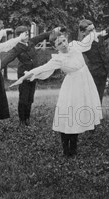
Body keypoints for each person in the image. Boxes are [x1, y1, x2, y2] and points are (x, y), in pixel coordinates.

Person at [11, 29, 103, 157]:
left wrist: (102, 32)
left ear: (67, 39)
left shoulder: (75, 46)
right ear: (55, 47)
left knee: (78, 114)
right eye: (59, 44)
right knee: (67, 115)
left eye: (64, 41)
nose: (64, 45)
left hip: (85, 85)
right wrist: (25, 76)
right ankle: (66, 150)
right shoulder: (59, 58)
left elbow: (90, 38)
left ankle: (74, 148)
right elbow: (42, 68)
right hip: (72, 87)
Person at [1, 26, 62, 126]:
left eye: (27, 33)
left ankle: (27, 119)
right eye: (25, 33)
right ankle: (22, 121)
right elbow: (8, 58)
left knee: (30, 98)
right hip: (23, 75)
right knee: (23, 98)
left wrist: (55, 31)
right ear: (19, 35)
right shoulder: (17, 47)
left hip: (34, 74)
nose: (27, 35)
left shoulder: (31, 42)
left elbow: (43, 36)